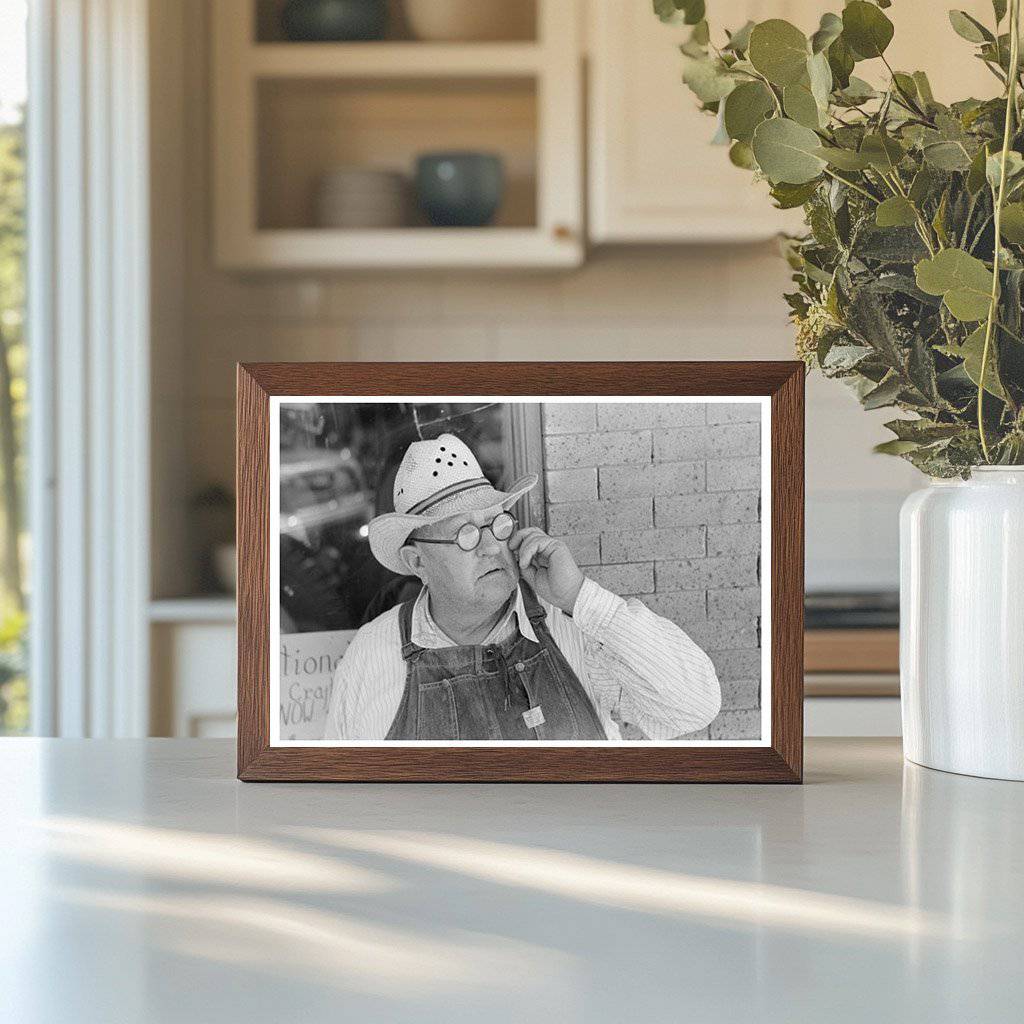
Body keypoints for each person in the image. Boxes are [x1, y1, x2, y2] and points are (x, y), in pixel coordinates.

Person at [322, 433, 721, 741]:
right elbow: (345, 800)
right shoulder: (371, 656)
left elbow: (694, 706)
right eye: (465, 534)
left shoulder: (572, 628)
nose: (493, 546)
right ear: (417, 562)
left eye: (496, 523)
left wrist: (579, 596)